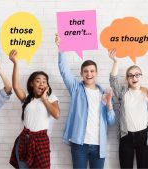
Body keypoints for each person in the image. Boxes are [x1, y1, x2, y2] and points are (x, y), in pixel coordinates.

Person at [55, 35, 115, 169]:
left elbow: (111, 122)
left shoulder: (105, 93)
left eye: (92, 71)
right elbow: (64, 70)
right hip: (79, 144)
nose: (89, 74)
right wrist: (61, 48)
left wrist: (110, 105)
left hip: (99, 145)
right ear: (81, 74)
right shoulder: (76, 89)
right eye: (86, 71)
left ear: (97, 73)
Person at [8, 50, 60, 169]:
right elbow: (15, 87)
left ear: (47, 85)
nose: (41, 83)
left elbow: (56, 114)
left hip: (41, 141)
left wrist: (44, 99)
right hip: (24, 140)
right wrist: (15, 63)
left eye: (44, 81)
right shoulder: (27, 98)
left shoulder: (51, 98)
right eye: (38, 81)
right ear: (32, 84)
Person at [108, 49, 148, 168]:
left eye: (137, 75)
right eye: (130, 75)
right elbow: (113, 81)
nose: (134, 77)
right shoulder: (123, 93)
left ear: (141, 76)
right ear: (127, 78)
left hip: (144, 137)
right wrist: (115, 62)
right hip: (126, 136)